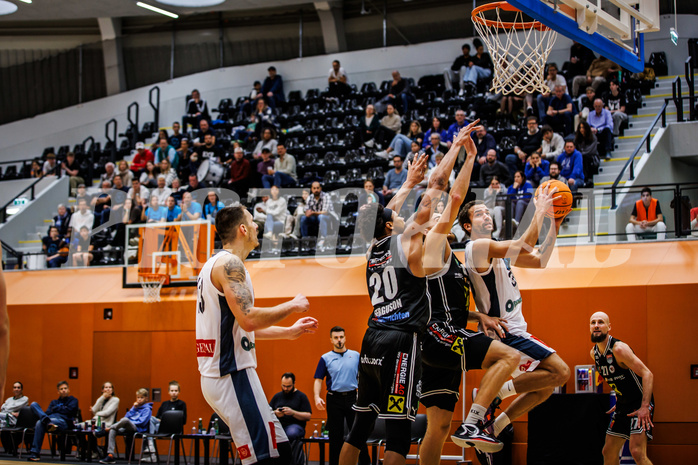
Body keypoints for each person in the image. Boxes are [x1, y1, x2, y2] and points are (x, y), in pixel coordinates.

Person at [339, 129, 471, 465]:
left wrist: (408, 182)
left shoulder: (374, 249)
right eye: (394, 217)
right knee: (398, 433)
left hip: (371, 338)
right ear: (390, 226)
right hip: (401, 341)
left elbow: (385, 213)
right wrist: (455, 147)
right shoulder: (408, 241)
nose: (399, 214)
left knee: (359, 428)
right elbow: (438, 186)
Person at [419, 123, 521, 458]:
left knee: (438, 428)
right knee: (509, 355)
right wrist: (467, 156)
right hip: (441, 335)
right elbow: (452, 193)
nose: (440, 213)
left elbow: (453, 302)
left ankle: (467, 425)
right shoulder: (432, 244)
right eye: (437, 213)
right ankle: (476, 422)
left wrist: (482, 315)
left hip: (437, 340)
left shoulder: (451, 255)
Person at [196, 204, 317, 465]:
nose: (256, 226)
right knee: (264, 458)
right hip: (231, 375)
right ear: (242, 229)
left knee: (280, 449)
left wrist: (288, 331)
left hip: (224, 374)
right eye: (252, 221)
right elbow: (249, 319)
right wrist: (292, 305)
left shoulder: (215, 265)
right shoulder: (229, 264)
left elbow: (240, 328)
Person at [457, 196, 570, 462]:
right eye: (479, 214)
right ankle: (495, 393)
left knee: (544, 387)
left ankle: (493, 428)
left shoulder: (497, 253)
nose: (487, 216)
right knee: (561, 372)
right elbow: (524, 243)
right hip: (508, 333)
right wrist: (539, 211)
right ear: (466, 225)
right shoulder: (477, 247)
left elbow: (540, 259)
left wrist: (554, 223)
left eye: (488, 212)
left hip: (516, 330)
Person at [589, 312, 655, 465]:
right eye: (593, 322)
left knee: (637, 452)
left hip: (639, 403)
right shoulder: (594, 354)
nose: (596, 325)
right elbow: (618, 379)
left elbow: (648, 374)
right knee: (608, 451)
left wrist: (645, 406)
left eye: (601, 322)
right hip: (623, 405)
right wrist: (620, 398)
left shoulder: (619, 349)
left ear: (609, 327)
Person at [313, 327, 369, 465]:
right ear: (331, 340)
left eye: (341, 337)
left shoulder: (356, 356)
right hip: (334, 399)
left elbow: (364, 376)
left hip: (352, 398)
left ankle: (365, 463)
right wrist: (316, 397)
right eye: (336, 337)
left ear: (345, 338)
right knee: (335, 436)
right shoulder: (325, 358)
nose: (339, 340)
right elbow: (318, 379)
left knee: (358, 432)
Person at [27, 381, 79, 461]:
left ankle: (34, 453)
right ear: (58, 391)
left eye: (65, 388)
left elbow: (70, 411)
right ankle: (35, 454)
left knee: (40, 422)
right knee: (34, 405)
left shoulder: (73, 400)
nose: (63, 390)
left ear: (68, 390)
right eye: (61, 389)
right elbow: (48, 412)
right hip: (50, 420)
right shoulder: (54, 402)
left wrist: (55, 409)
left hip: (63, 422)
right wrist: (62, 409)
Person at [99, 388, 152, 464]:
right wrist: (134, 408)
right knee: (113, 430)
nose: (139, 399)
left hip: (138, 428)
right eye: (138, 397)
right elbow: (127, 415)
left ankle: (109, 428)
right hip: (127, 426)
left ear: (146, 398)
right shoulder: (135, 407)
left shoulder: (147, 409)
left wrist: (131, 421)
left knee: (125, 420)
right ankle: (110, 455)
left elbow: (142, 422)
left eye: (142, 397)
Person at [81, 382, 119, 460]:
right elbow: (94, 410)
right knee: (79, 426)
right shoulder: (101, 399)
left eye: (110, 387)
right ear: (102, 390)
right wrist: (102, 398)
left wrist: (97, 414)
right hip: (96, 421)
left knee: (92, 428)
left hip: (106, 424)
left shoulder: (115, 400)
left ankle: (96, 451)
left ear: (112, 390)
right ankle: (93, 450)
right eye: (106, 387)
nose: (108, 389)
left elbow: (107, 413)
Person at [270, 373, 312, 441]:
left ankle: (290, 452)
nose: (286, 389)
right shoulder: (277, 396)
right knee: (269, 433)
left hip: (295, 425)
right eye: (283, 386)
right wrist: (275, 413)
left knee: (291, 433)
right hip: (278, 426)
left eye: (289, 386)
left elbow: (308, 416)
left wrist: (293, 413)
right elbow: (268, 412)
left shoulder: (301, 396)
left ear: (294, 383)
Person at [300, 182, 335, 248]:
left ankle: (323, 239)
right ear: (311, 189)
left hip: (328, 218)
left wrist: (313, 213)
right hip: (315, 218)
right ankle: (305, 240)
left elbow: (325, 212)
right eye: (314, 188)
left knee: (321, 216)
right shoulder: (310, 197)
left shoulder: (326, 196)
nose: (316, 190)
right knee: (303, 218)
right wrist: (307, 213)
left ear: (320, 188)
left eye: (318, 188)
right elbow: (306, 210)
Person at [0, 381, 28, 455]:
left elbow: (7, 408)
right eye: (15, 387)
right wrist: (11, 411)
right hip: (6, 419)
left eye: (18, 387)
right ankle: (7, 448)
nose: (16, 389)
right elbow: (2, 408)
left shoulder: (25, 399)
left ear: (21, 389)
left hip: (18, 421)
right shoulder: (9, 399)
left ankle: (12, 447)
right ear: (12, 389)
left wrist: (8, 409)